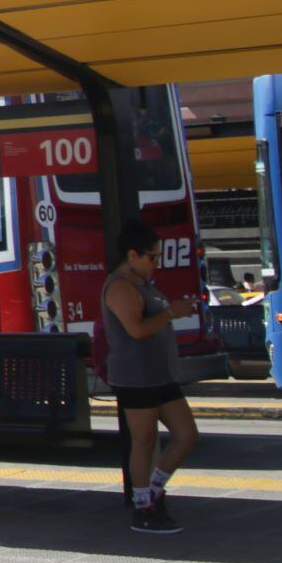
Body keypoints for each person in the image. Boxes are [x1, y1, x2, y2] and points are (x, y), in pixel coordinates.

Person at [102, 222, 199, 534]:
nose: (156, 263)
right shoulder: (120, 287)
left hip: (160, 374)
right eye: (152, 257)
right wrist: (171, 313)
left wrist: (173, 310)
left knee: (186, 434)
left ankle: (154, 489)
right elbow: (136, 330)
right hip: (135, 376)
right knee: (143, 440)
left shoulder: (144, 282)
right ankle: (144, 505)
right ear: (132, 255)